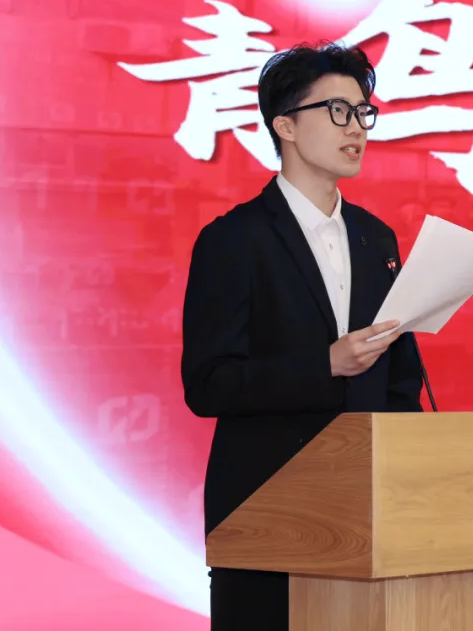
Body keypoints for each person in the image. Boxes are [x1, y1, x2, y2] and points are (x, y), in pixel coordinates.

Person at [180, 42, 424, 630]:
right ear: (285, 125)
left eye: (362, 112)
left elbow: (400, 379)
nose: (356, 127)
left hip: (367, 514)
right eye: (337, 111)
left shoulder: (377, 238)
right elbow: (209, 384)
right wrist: (326, 364)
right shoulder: (234, 238)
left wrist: (413, 473)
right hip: (267, 512)